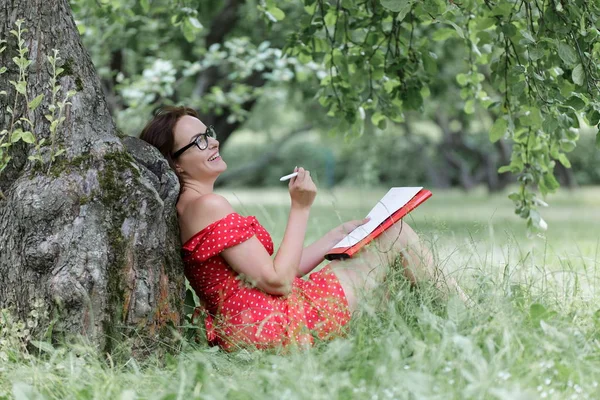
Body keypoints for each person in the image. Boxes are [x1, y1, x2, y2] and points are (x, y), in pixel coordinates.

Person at [140, 106, 466, 351]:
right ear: (175, 163)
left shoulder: (189, 210)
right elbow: (278, 282)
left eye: (208, 133)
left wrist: (333, 238)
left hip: (253, 325)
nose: (213, 142)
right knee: (397, 234)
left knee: (385, 278)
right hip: (277, 323)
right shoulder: (207, 206)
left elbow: (272, 272)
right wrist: (301, 207)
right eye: (198, 141)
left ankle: (441, 327)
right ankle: (468, 316)